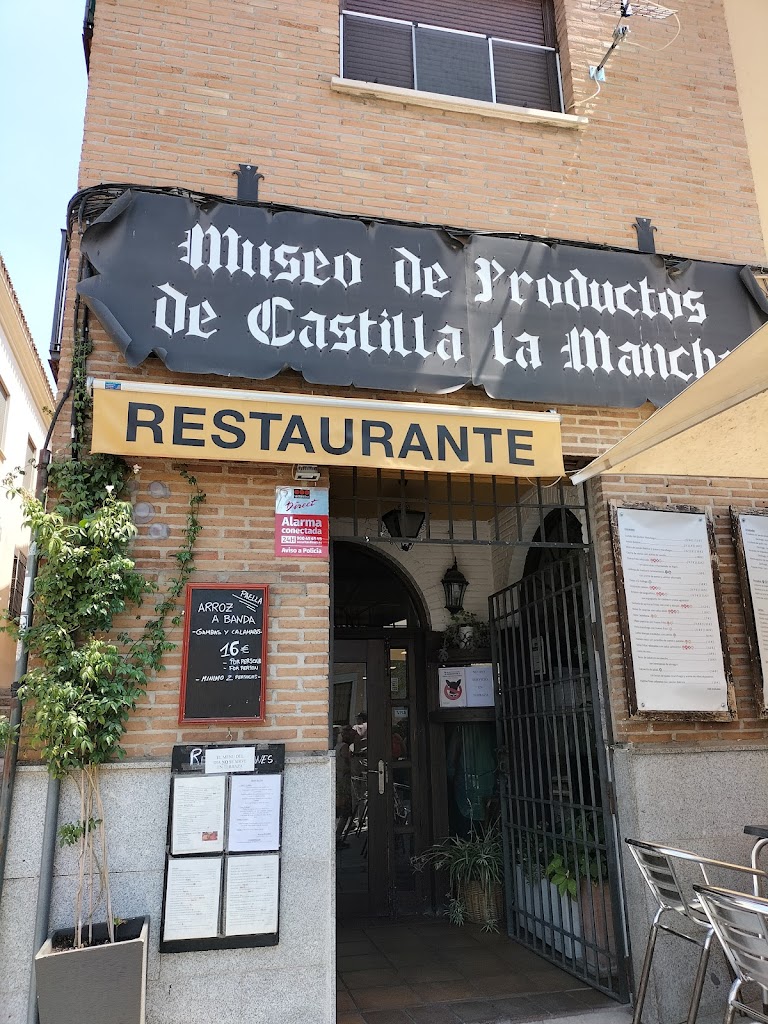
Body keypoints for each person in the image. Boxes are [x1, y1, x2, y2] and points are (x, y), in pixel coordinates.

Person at [335, 725, 358, 849]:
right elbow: (349, 764)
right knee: (345, 811)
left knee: (342, 810)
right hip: (343, 782)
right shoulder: (344, 747)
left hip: (340, 780)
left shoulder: (338, 746)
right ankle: (338, 837)